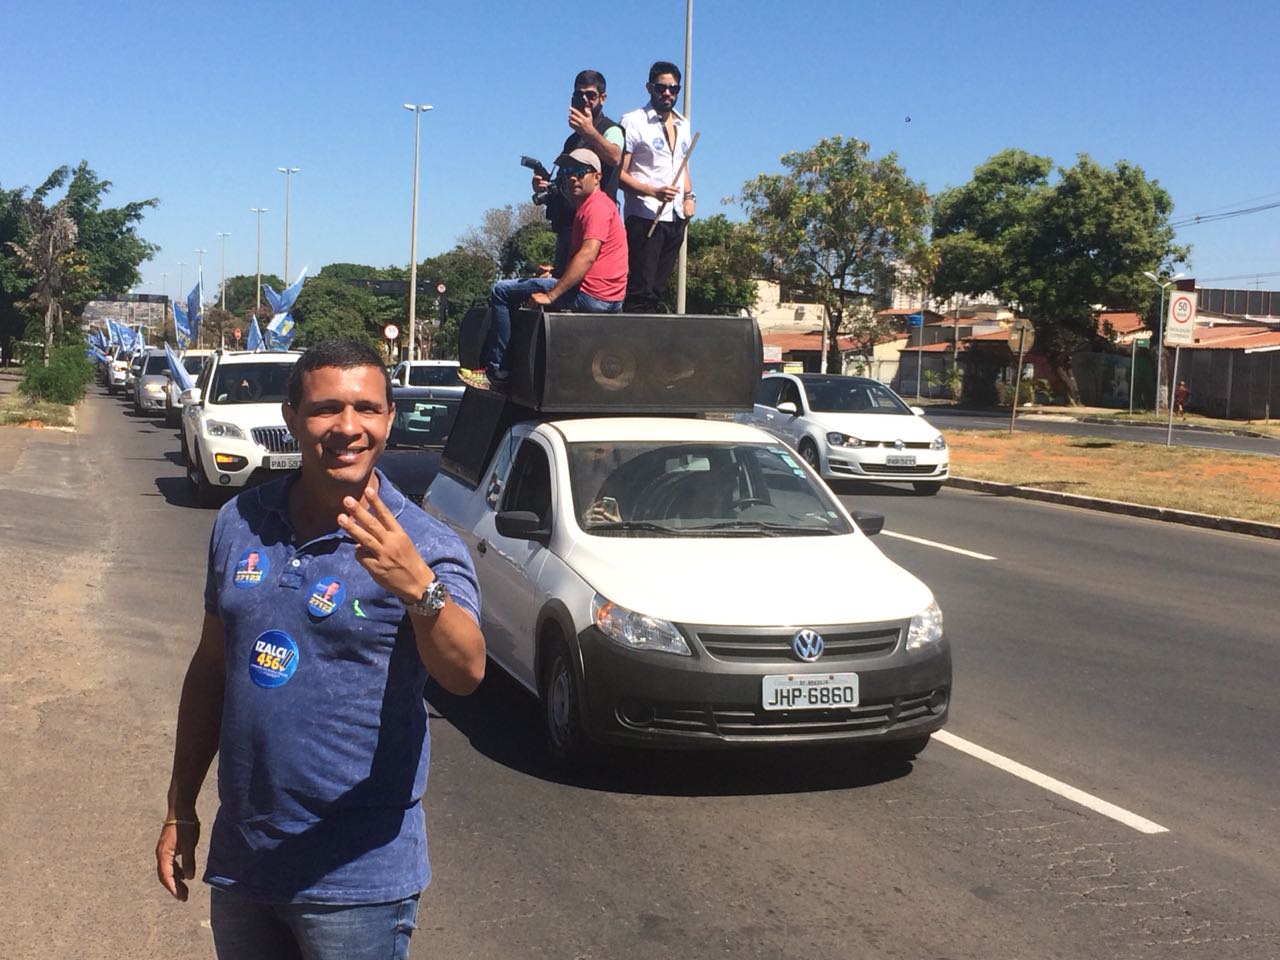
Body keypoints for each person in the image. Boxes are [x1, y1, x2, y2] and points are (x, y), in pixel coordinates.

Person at [155, 339, 486, 960]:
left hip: (356, 881)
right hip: (246, 864)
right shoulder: (240, 521)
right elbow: (211, 672)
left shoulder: (423, 544)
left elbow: (466, 671)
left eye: (367, 408)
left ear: (389, 417)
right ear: (291, 417)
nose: (348, 427)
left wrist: (420, 590)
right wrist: (181, 807)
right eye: (326, 408)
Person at [461, 148, 627, 391]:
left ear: (597, 177)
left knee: (501, 291)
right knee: (532, 288)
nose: (572, 177)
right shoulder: (600, 206)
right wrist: (556, 272)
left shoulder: (596, 207)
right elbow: (597, 259)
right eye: (568, 172)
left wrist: (552, 294)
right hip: (610, 298)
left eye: (580, 171)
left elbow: (588, 255)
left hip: (592, 297)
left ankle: (497, 372)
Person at [618, 61, 696, 313]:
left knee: (658, 290)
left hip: (675, 217)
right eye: (661, 87)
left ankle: (652, 334)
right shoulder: (633, 121)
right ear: (650, 87)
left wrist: (690, 196)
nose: (668, 93)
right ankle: (633, 335)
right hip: (644, 216)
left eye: (674, 88)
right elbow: (617, 174)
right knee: (641, 288)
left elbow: (683, 167)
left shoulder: (683, 124)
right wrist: (652, 191)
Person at [533, 69, 624, 276]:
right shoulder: (572, 140)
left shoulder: (611, 130)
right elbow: (566, 184)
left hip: (594, 227)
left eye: (590, 95)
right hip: (568, 227)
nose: (584, 100)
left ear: (603, 98)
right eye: (578, 94)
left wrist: (589, 132)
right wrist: (543, 186)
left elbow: (614, 156)